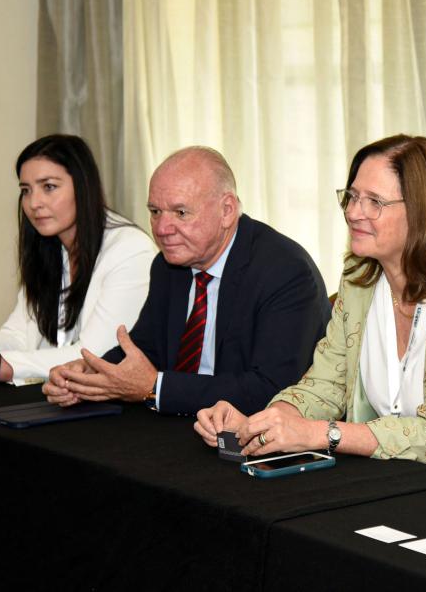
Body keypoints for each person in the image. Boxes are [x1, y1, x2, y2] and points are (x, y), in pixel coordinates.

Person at [195, 135, 426, 488]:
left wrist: (319, 433)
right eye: (352, 197)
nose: (353, 212)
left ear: (422, 212)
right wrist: (270, 421)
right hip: (398, 485)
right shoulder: (360, 282)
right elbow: (326, 384)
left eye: (374, 202)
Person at [42, 146, 331, 416]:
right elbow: (146, 348)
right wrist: (90, 375)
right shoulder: (168, 265)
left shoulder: (284, 272)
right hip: (182, 423)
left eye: (180, 213)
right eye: (155, 212)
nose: (162, 228)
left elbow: (271, 389)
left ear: (227, 210)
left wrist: (155, 387)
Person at [0, 134, 155, 388]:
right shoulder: (49, 245)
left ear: (83, 186)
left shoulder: (130, 249)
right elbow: (17, 335)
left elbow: (91, 358)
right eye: (26, 190)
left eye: (49, 187)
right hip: (62, 396)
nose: (34, 203)